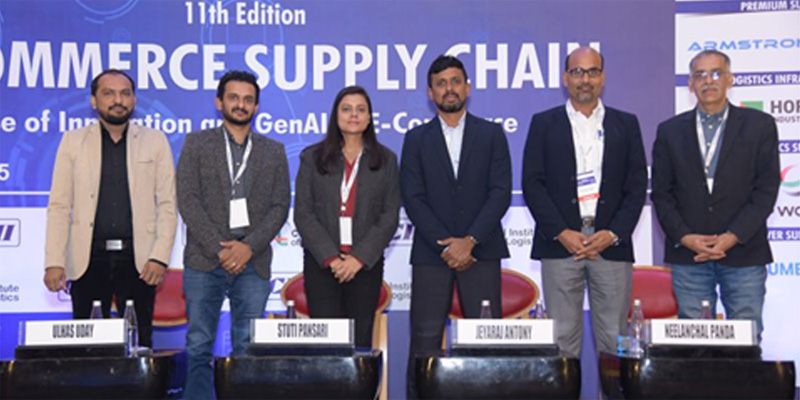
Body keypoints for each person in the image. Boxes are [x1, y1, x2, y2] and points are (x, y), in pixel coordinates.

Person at [522, 47, 647, 357]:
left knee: (615, 341)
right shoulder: (543, 123)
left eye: (592, 71)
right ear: (565, 78)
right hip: (561, 244)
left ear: (602, 77)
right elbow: (532, 183)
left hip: (611, 245)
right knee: (562, 340)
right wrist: (561, 232)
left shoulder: (626, 124)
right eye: (577, 72)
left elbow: (636, 186)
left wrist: (613, 233)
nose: (585, 79)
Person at [401, 55, 511, 398]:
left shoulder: (491, 134)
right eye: (441, 83)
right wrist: (447, 244)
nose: (449, 89)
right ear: (430, 93)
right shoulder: (415, 139)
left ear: (468, 87)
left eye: (455, 81)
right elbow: (413, 197)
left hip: (482, 251)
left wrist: (471, 240)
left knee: (485, 340)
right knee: (424, 341)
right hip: (432, 254)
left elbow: (500, 192)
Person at [176, 70, 290, 399]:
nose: (241, 105)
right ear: (219, 102)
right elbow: (188, 200)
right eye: (234, 98)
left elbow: (280, 206)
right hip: (204, 259)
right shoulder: (196, 143)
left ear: (256, 107)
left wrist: (248, 247)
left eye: (248, 100)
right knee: (198, 345)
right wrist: (220, 249)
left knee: (247, 346)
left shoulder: (273, 150)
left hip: (253, 261)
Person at [43, 69, 177, 348]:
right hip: (88, 259)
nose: (118, 100)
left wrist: (159, 258)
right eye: (109, 93)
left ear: (134, 100)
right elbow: (59, 206)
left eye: (125, 93)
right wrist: (54, 261)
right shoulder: (73, 141)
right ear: (94, 101)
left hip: (140, 261)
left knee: (140, 343)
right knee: (88, 346)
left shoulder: (155, 140)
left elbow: (167, 204)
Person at [651, 49, 779, 338]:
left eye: (716, 73)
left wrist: (733, 236)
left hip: (744, 252)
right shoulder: (669, 131)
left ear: (730, 79)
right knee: (693, 342)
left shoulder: (759, 125)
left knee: (746, 338)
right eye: (700, 75)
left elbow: (766, 190)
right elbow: (661, 193)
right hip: (689, 255)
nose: (708, 80)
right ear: (690, 84)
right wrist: (686, 237)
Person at [294, 86, 400, 348]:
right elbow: (303, 213)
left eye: (360, 110)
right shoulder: (312, 157)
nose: (354, 115)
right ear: (336, 115)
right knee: (326, 345)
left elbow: (389, 215)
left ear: (369, 118)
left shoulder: (386, 160)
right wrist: (331, 259)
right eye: (347, 109)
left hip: (364, 266)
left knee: (359, 344)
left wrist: (358, 258)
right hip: (322, 265)